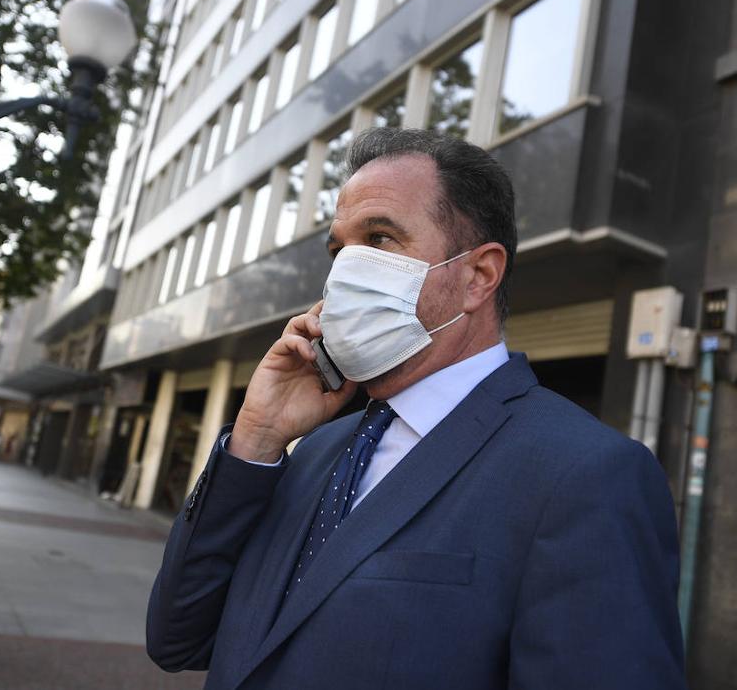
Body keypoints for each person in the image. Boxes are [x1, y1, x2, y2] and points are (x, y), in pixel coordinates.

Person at [146, 128, 685, 689]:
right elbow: (177, 639)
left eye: (379, 239)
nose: (345, 271)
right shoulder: (313, 448)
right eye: (338, 250)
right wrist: (256, 439)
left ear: (479, 276)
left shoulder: (586, 475)